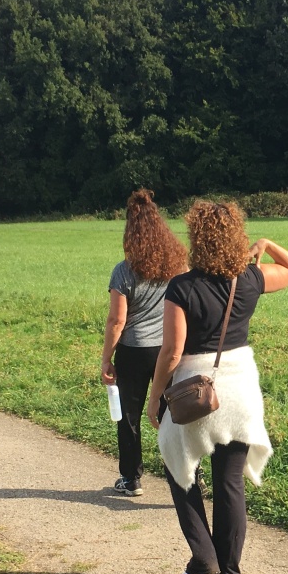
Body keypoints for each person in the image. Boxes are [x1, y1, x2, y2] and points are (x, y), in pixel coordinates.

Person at [147, 201, 288, 574]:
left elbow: (172, 351)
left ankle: (204, 557)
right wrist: (266, 244)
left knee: (179, 466)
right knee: (230, 482)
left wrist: (155, 398)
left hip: (196, 391)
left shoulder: (182, 287)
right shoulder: (250, 278)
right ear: (238, 236)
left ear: (196, 238)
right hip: (240, 392)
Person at [101, 189, 188, 496]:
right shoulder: (179, 265)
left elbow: (117, 321)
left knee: (129, 415)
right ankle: (188, 473)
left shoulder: (124, 271)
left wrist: (106, 359)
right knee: (174, 412)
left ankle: (131, 478)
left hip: (133, 350)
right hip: (170, 348)